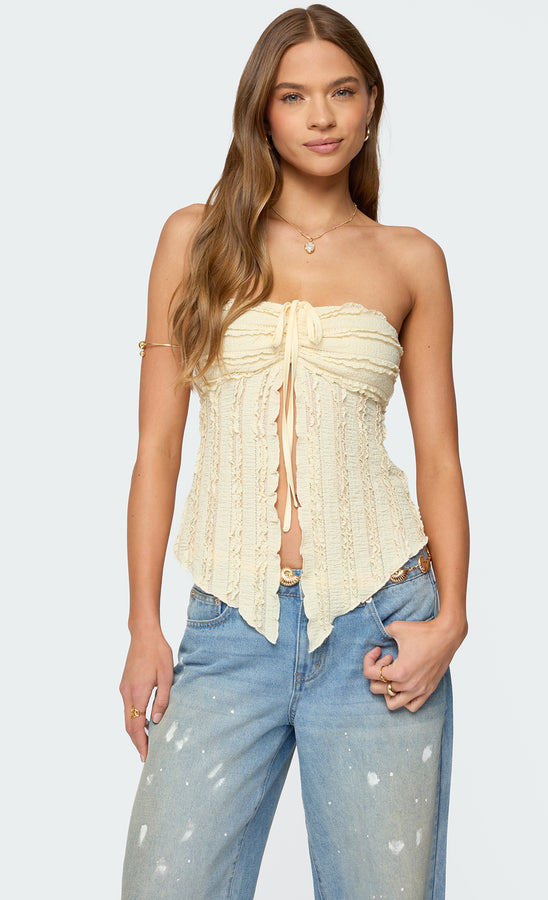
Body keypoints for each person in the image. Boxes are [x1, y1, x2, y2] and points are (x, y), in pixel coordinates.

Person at [120, 5, 468, 898]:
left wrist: (451, 619)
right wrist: (143, 624)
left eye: (342, 92)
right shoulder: (193, 240)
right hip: (227, 628)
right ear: (262, 112)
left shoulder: (411, 260)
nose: (321, 116)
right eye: (294, 96)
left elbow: (439, 455)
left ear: (371, 103)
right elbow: (157, 445)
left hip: (379, 626)